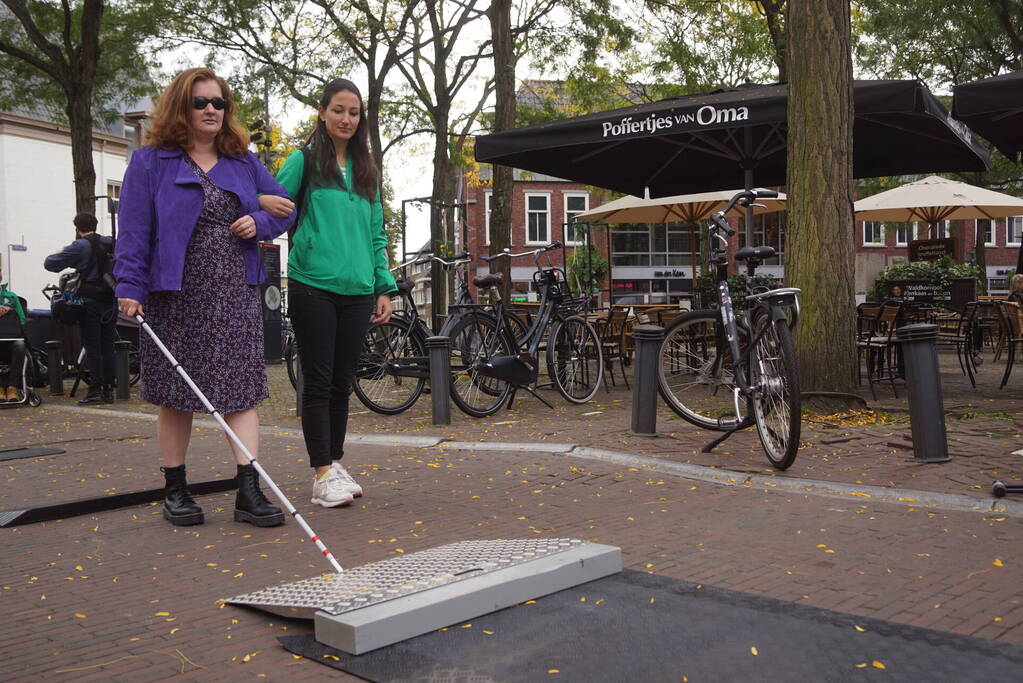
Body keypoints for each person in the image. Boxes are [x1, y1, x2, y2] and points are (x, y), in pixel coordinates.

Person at [114, 67, 295, 528]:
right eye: (201, 102)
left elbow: (284, 210)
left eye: (219, 103)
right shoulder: (150, 162)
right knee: (176, 394)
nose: (212, 110)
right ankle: (176, 489)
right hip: (173, 293)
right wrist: (129, 288)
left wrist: (259, 220)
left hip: (234, 290)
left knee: (241, 391)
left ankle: (248, 492)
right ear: (182, 107)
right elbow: (134, 231)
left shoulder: (244, 162)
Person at [260, 78, 396, 508]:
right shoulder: (303, 161)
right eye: (338, 110)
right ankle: (320, 473)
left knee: (342, 382)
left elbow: (377, 234)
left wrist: (383, 286)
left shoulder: (367, 171)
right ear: (322, 112)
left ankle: (333, 464)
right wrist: (261, 210)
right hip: (312, 285)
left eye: (354, 112)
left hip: (357, 290)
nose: (346, 119)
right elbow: (273, 204)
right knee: (317, 382)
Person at [44, 213, 117, 404]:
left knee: (93, 348)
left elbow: (50, 264)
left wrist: (63, 251)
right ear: (96, 224)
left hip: (88, 302)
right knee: (108, 346)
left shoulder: (80, 246)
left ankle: (95, 392)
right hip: (110, 301)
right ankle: (109, 391)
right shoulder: (110, 242)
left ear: (77, 228)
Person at [0, 263, 28, 402]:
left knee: (20, 346)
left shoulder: (11, 297)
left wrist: (10, 311)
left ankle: (13, 387)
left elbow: (22, 320)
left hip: (10, 339)